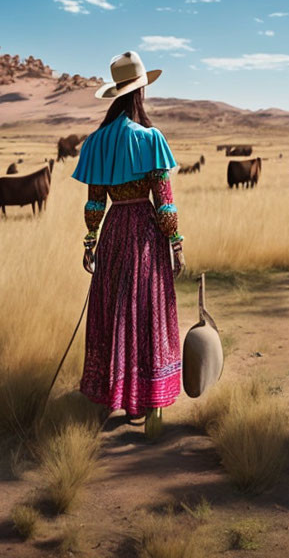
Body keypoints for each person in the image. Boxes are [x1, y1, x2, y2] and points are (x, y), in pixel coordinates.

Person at [72, 51, 185, 439]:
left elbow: (93, 202)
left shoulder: (97, 142)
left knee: (114, 312)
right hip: (144, 235)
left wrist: (90, 242)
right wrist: (176, 243)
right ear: (140, 93)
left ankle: (115, 393)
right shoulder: (151, 139)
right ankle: (149, 403)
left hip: (113, 234)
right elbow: (164, 201)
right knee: (148, 314)